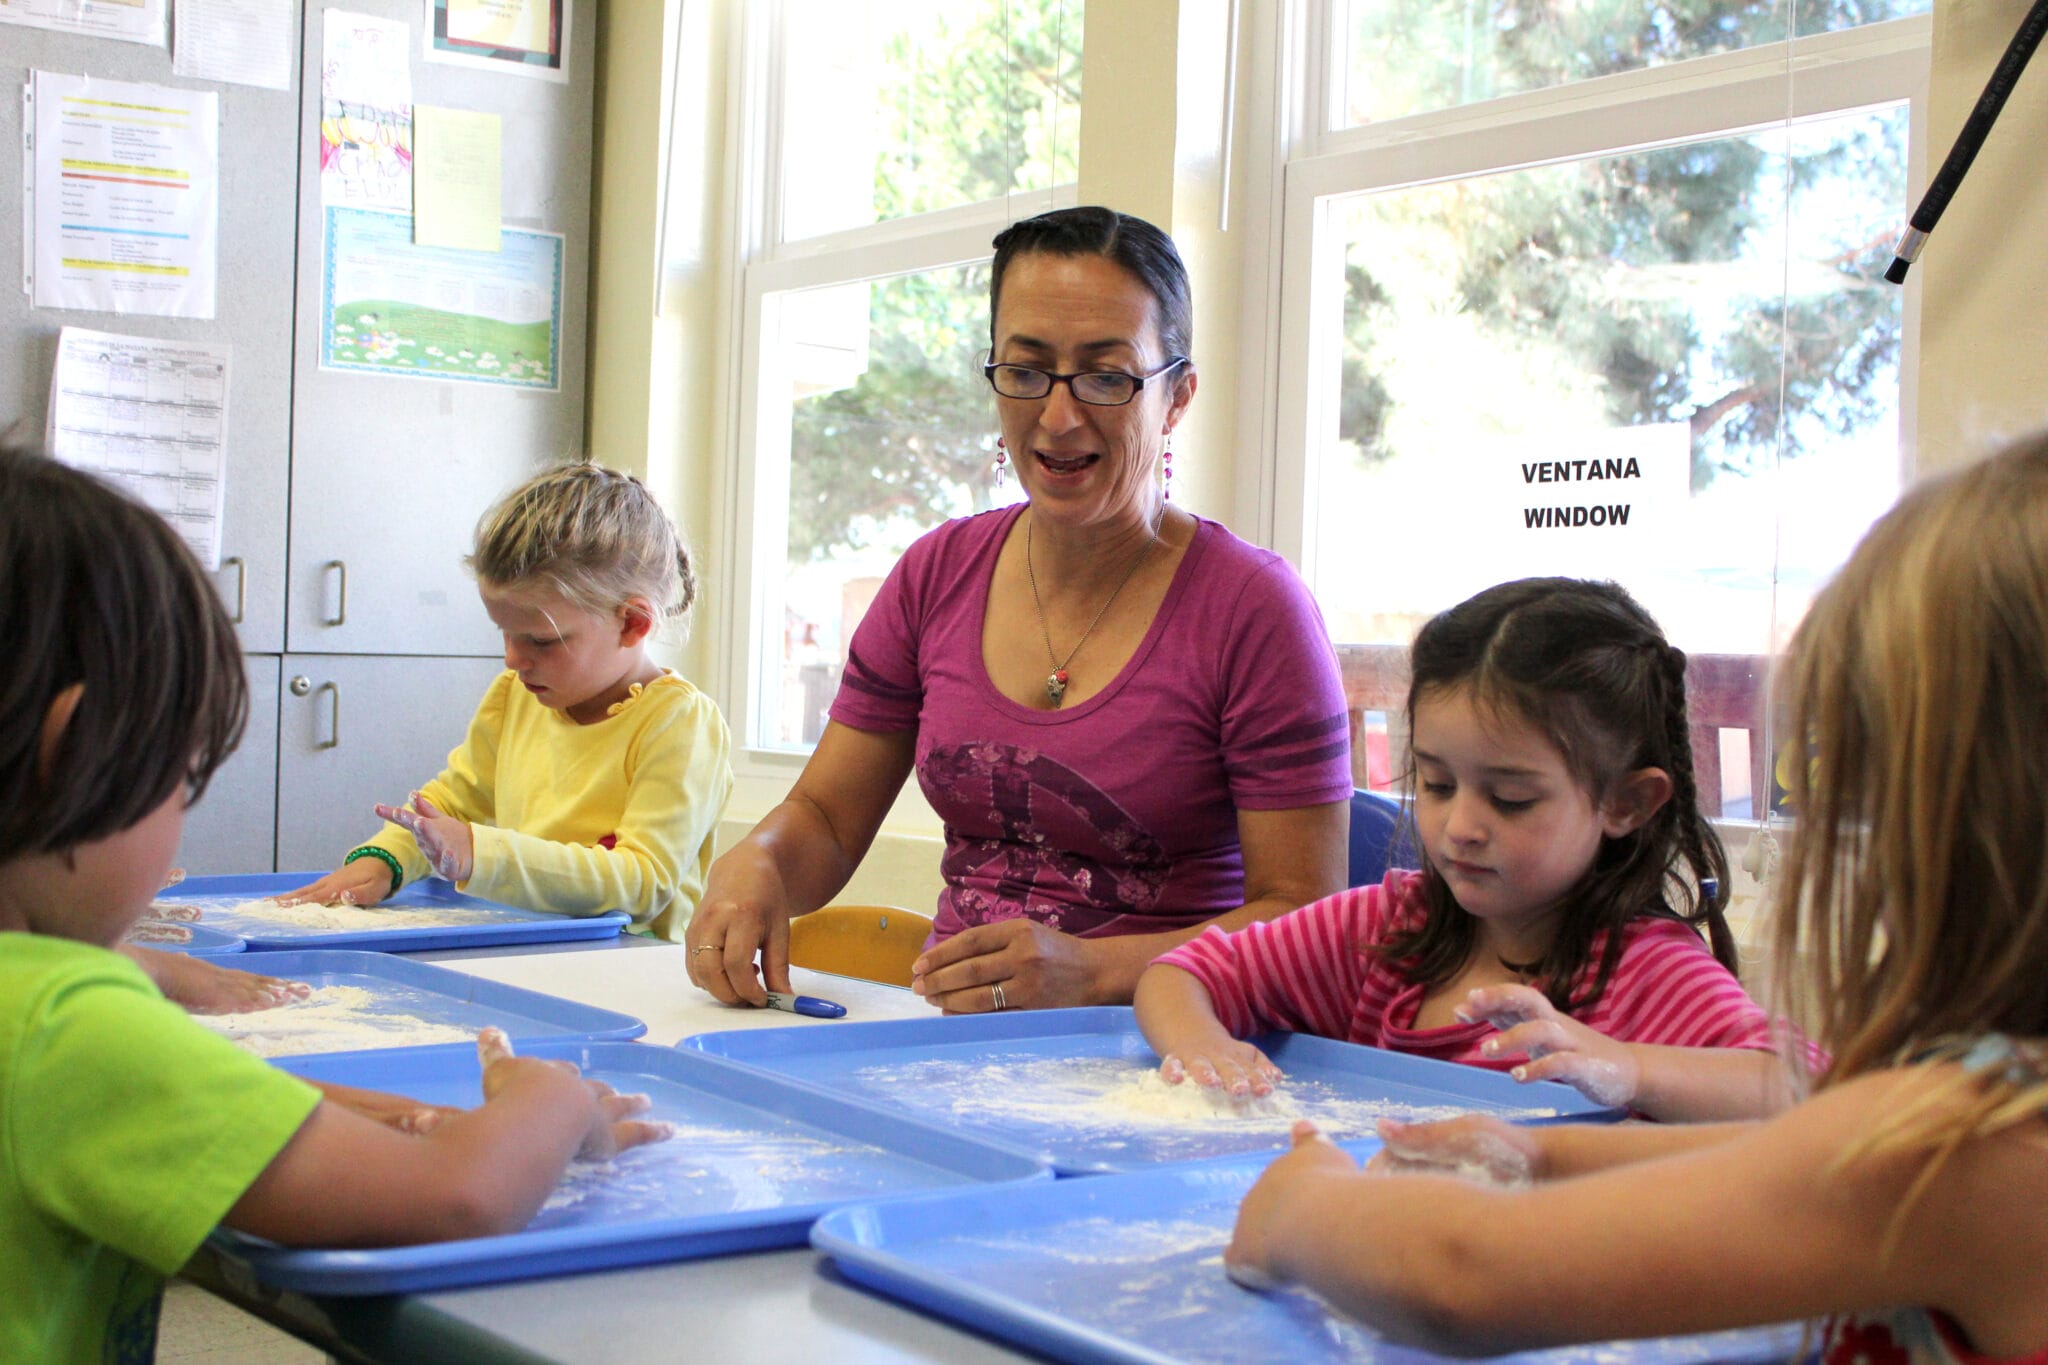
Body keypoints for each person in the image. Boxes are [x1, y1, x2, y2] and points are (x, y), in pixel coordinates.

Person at [1221, 438, 2048, 1361]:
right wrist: (1543, 1154)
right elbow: (1791, 1154)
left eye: (1858, 774)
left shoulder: (1977, 1149)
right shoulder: (1987, 1113)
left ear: (1970, 820)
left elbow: (1464, 1275)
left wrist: (1304, 1208)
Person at [0, 446, 672, 1361]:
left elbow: (189, 1101)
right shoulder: (67, 1030)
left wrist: (398, 1115)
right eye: (181, 778)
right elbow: (456, 1197)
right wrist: (553, 1098)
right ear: (76, 751)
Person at [689, 205, 1353, 1012]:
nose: (1058, 417)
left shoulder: (1255, 611)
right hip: (949, 1038)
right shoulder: (935, 574)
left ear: (1177, 396)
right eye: (1027, 370)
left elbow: (1308, 921)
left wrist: (1097, 971)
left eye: (1106, 377)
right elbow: (825, 818)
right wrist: (758, 859)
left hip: (1171, 1048)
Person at [1138, 577, 1803, 1123]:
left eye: (1510, 798)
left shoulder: (1646, 974)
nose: (1460, 826)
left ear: (1625, 803)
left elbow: (1802, 1087)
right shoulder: (1384, 931)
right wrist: (1204, 1045)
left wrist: (1624, 1065)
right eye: (1437, 784)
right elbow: (1181, 973)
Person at [286, 462, 734, 941]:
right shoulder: (514, 697)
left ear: (631, 624)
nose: (512, 659)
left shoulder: (679, 725)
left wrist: (481, 853)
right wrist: (385, 859)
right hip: (526, 948)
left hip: (626, 965)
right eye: (505, 632)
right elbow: (450, 804)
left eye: (541, 641)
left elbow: (643, 882)